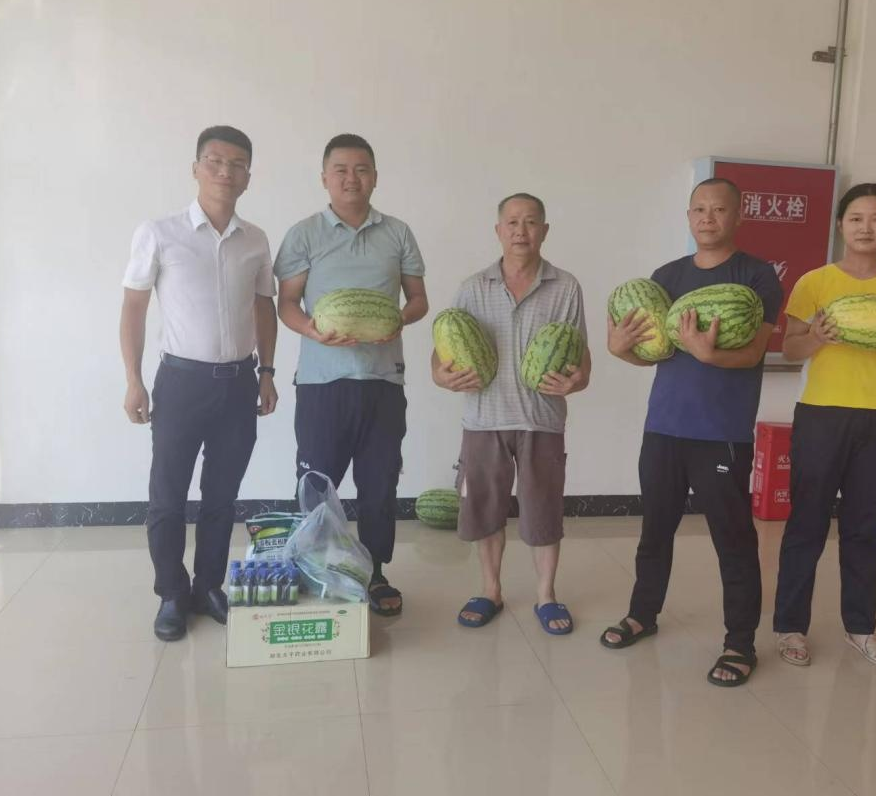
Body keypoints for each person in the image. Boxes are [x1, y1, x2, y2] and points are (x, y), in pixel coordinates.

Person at [602, 178, 782, 687]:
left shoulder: (757, 275)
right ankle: (642, 614)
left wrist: (711, 355)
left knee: (733, 538)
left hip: (721, 431)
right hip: (663, 425)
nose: (707, 217)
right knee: (655, 529)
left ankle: (740, 642)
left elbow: (754, 353)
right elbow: (652, 354)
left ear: (737, 216)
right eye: (699, 209)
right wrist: (620, 350)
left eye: (718, 209)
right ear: (688, 216)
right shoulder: (666, 276)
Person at [120, 125, 278, 642]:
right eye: (215, 161)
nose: (225, 171)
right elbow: (134, 308)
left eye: (237, 164)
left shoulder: (256, 240)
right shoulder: (159, 233)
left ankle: (209, 585)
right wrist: (133, 380)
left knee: (221, 496)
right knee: (167, 496)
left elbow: (265, 307)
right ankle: (171, 592)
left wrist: (267, 373)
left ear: (248, 177)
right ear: (195, 168)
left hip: (239, 384)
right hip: (181, 382)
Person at [773, 182, 876, 669]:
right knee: (806, 524)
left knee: (864, 530)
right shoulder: (815, 283)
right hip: (822, 415)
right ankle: (791, 627)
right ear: (841, 224)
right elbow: (790, 349)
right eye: (857, 218)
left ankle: (860, 628)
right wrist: (816, 337)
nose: (866, 228)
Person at [274, 133, 428, 616]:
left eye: (361, 169)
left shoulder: (398, 233)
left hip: (384, 380)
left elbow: (418, 300)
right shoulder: (304, 234)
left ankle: (375, 572)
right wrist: (312, 331)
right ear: (324, 177)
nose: (351, 178)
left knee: (380, 484)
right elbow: (287, 303)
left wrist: (399, 320)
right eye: (340, 169)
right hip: (321, 382)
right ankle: (316, 569)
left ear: (375, 177)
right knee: (317, 483)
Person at [433, 193, 591, 634]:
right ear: (498, 230)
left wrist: (576, 381)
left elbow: (580, 357)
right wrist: (441, 376)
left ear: (545, 230)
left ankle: (546, 595)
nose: (521, 231)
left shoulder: (566, 286)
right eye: (513, 222)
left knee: (544, 512)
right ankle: (490, 591)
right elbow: (441, 354)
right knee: (484, 510)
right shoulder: (472, 287)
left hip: (543, 419)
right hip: (484, 419)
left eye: (531, 222)